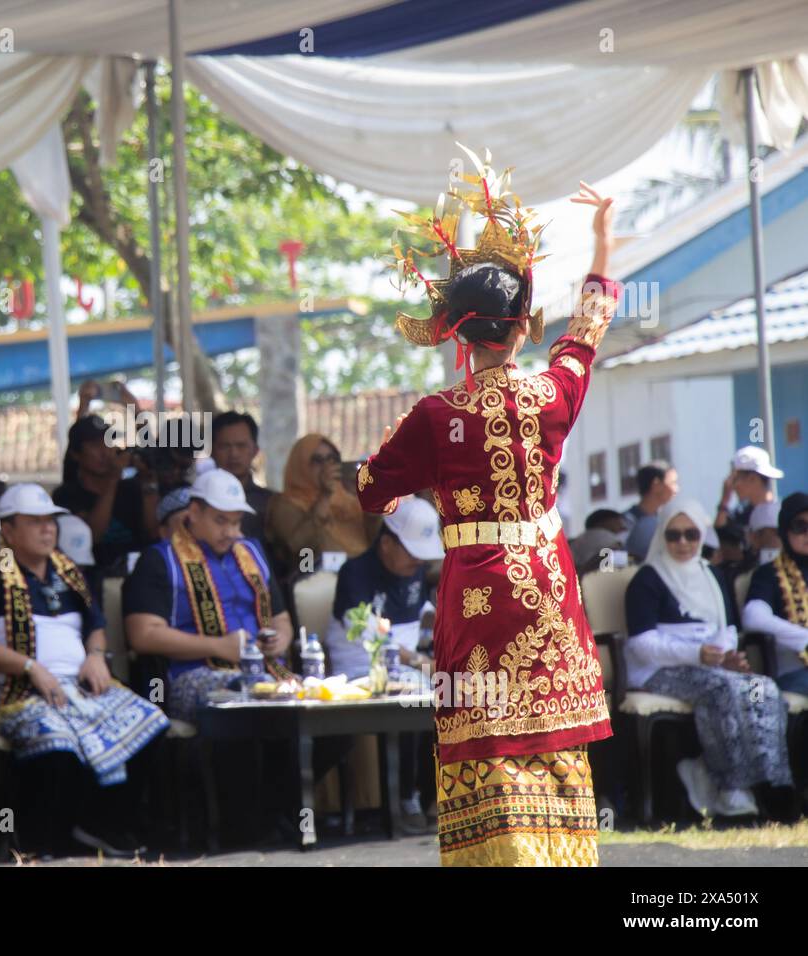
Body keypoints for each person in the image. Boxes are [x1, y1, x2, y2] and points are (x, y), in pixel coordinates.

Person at [354, 170, 617, 865]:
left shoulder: (434, 416)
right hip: (549, 585)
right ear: (522, 328)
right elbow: (585, 332)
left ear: (456, 338)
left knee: (485, 726)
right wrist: (602, 240)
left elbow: (370, 492)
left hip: (474, 588)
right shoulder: (553, 392)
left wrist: (401, 482)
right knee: (552, 728)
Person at [0, 484, 168, 857]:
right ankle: (45, 839)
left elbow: (95, 627)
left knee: (149, 721)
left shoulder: (69, 573)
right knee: (59, 742)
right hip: (19, 692)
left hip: (82, 686)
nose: (47, 529)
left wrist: (96, 655)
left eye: (50, 522)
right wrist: (30, 667)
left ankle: (102, 825)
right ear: (7, 530)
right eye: (35, 522)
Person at [626, 498, 791, 818]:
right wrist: (696, 653)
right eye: (674, 535)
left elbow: (727, 626)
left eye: (691, 534)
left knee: (763, 688)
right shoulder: (647, 579)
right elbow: (640, 643)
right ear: (662, 536)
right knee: (722, 690)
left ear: (702, 536)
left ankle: (771, 787)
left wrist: (724, 654)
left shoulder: (711, 576)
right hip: (658, 671)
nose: (683, 543)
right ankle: (730, 789)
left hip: (711, 666)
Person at [124, 468, 292, 723]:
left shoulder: (252, 553)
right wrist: (218, 647)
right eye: (220, 521)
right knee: (256, 698)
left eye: (236, 522)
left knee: (318, 707)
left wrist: (279, 641)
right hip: (195, 676)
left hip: (266, 674)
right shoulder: (161, 558)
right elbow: (143, 635)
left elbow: (281, 620)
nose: (231, 532)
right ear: (194, 512)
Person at [324, 495, 443, 833]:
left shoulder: (415, 571)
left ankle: (434, 795)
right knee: (414, 694)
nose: (419, 562)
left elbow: (420, 616)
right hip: (360, 669)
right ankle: (404, 798)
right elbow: (368, 636)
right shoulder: (355, 573)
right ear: (387, 543)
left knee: (455, 695)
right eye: (412, 552)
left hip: (409, 669)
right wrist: (421, 662)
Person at [53, 415, 158, 572]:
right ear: (76, 454)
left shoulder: (131, 488)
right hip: (94, 577)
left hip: (136, 573)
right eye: (95, 445)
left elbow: (153, 534)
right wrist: (114, 479)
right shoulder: (66, 495)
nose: (105, 452)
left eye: (109, 443)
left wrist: (148, 482)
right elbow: (92, 537)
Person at [267, 433, 375, 572]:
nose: (327, 466)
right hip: (318, 584)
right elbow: (298, 549)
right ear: (300, 465)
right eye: (317, 460)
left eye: (332, 459)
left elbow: (377, 542)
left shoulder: (349, 501)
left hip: (363, 578)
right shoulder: (285, 505)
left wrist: (373, 501)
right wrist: (324, 497)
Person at [742, 492, 808, 696]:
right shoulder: (769, 573)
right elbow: (753, 616)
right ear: (784, 531)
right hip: (794, 671)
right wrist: (803, 637)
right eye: (800, 527)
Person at [210, 411, 276, 543]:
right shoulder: (199, 501)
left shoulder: (272, 504)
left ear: (255, 450)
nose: (233, 454)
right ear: (211, 450)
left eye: (241, 446)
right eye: (224, 446)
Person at [622, 462, 678, 562]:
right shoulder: (624, 522)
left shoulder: (667, 519)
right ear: (656, 484)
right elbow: (611, 558)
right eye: (673, 483)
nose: (676, 489)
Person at [569, 508, 629, 575]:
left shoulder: (578, 539)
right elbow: (623, 565)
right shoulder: (607, 538)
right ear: (605, 522)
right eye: (617, 521)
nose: (622, 525)